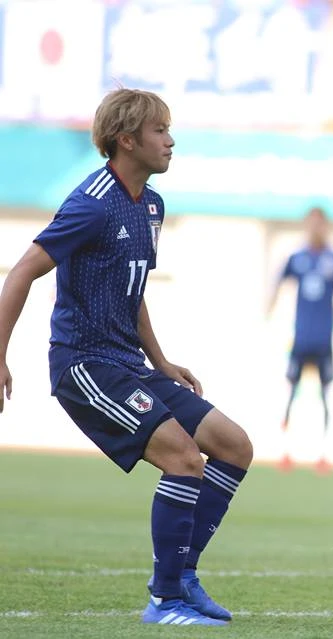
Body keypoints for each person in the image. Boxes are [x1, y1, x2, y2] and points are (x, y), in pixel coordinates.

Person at [0, 88, 253, 626]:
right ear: (126, 140)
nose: (171, 140)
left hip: (130, 364)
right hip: (84, 365)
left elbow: (131, 291)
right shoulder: (91, 204)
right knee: (184, 458)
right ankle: (165, 600)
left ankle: (182, 578)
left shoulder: (152, 206)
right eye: (160, 130)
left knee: (234, 446)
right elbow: (21, 271)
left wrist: (160, 361)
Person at [267, 207, 333, 472]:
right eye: (312, 223)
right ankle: (285, 449)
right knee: (291, 392)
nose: (316, 228)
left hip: (324, 339)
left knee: (325, 394)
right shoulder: (297, 258)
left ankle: (323, 453)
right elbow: (278, 282)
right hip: (301, 338)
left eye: (320, 224)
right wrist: (268, 313)